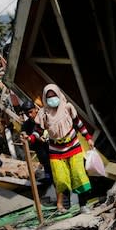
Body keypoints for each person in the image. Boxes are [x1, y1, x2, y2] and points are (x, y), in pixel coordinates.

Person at [34, 84, 94, 214]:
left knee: (79, 175)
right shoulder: (43, 113)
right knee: (60, 179)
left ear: (59, 95)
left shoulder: (68, 108)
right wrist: (31, 138)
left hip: (73, 145)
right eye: (48, 97)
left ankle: (83, 205)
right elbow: (38, 130)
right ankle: (65, 204)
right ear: (45, 98)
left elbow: (79, 123)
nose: (52, 99)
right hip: (56, 150)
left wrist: (88, 137)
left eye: (54, 96)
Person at [20, 100, 53, 184]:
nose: (30, 115)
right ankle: (48, 180)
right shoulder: (26, 125)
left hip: (52, 148)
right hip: (40, 151)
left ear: (35, 109)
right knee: (46, 166)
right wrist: (26, 138)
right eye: (27, 114)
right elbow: (26, 136)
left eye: (31, 112)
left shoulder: (45, 117)